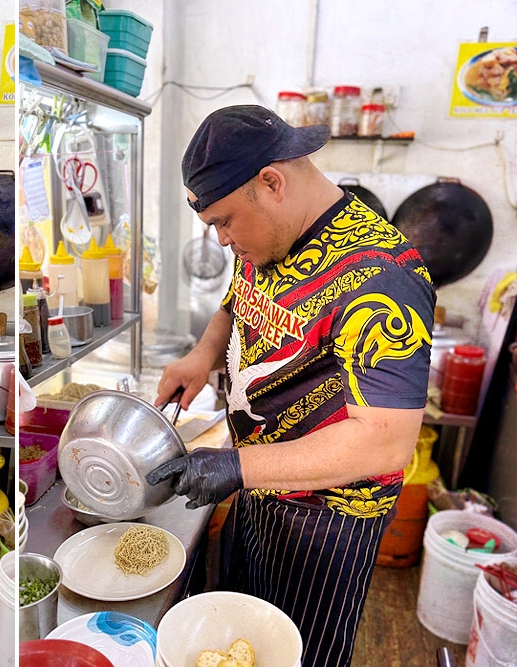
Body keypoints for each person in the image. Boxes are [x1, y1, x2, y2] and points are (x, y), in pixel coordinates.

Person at [147, 105, 434, 667]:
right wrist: (203, 353)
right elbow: (239, 298)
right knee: (241, 633)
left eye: (225, 222)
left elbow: (385, 442)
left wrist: (237, 467)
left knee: (300, 652)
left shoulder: (383, 279)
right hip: (259, 482)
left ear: (271, 182)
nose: (225, 240)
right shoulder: (273, 235)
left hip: (326, 519)